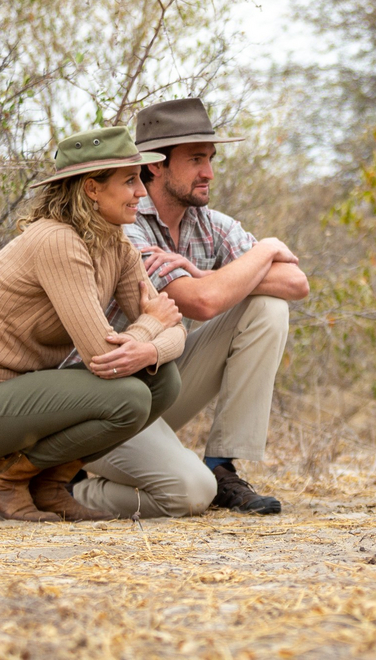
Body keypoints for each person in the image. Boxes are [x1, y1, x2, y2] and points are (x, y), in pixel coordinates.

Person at [0, 126, 185, 522]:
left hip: (23, 396)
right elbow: (104, 356)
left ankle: (49, 485)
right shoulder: (57, 241)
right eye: (130, 180)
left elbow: (176, 329)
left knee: (163, 380)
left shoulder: (117, 244)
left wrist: (151, 344)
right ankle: (3, 479)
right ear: (92, 189)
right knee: (130, 397)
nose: (142, 192)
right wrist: (152, 324)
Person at [72, 99, 309, 518]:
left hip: (155, 385)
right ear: (156, 165)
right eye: (196, 159)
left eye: (211, 158)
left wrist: (199, 271)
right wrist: (268, 247)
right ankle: (62, 489)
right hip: (100, 403)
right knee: (189, 494)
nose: (210, 173)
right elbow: (203, 303)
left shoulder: (211, 224)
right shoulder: (125, 222)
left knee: (269, 307)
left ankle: (222, 466)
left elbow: (296, 284)